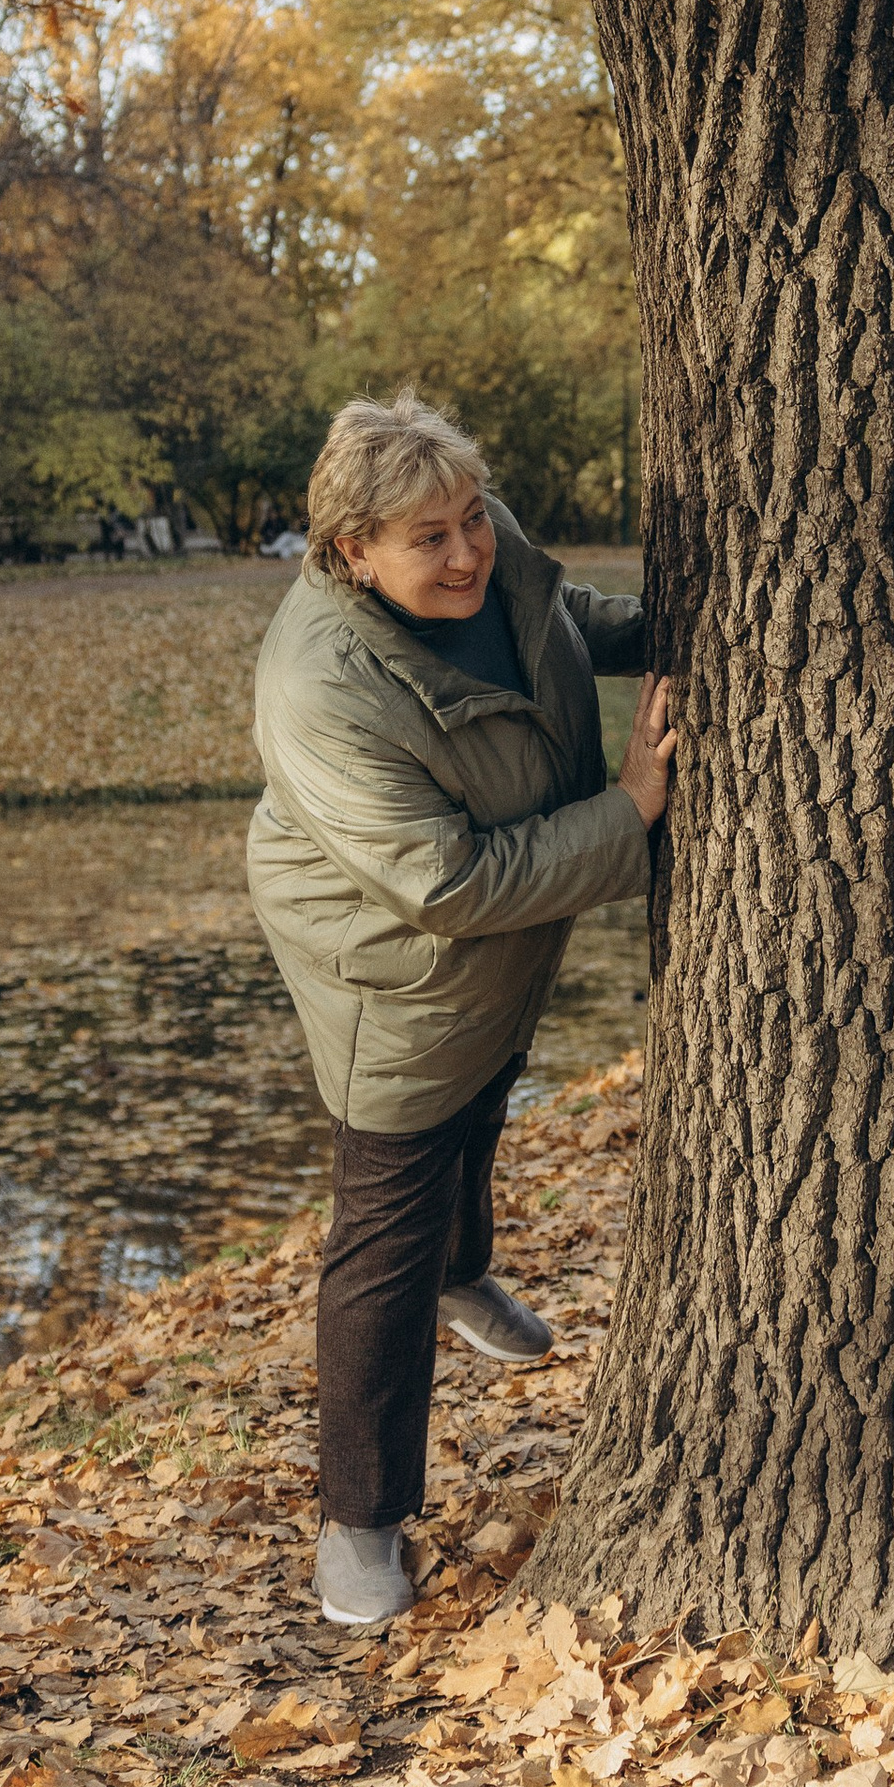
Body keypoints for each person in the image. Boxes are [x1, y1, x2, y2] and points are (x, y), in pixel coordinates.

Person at [246, 390, 675, 1630]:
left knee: (487, 1091)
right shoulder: (321, 688)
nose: (467, 552)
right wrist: (631, 807)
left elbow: (555, 621)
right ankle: (360, 1524)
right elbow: (445, 884)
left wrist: (673, 634)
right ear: (350, 553)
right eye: (426, 539)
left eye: (470, 517)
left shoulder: (485, 549)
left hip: (500, 920)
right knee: (387, 1217)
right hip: (393, 956)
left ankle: (467, 1266)